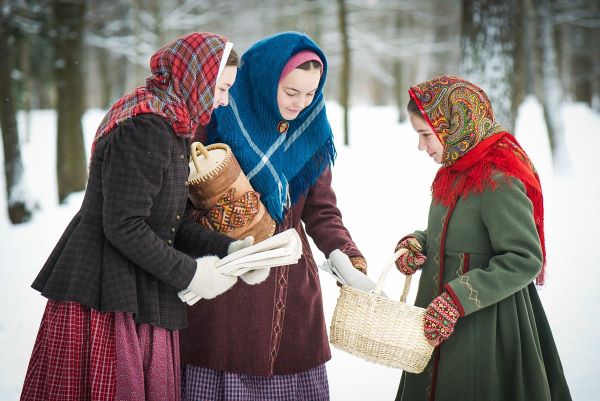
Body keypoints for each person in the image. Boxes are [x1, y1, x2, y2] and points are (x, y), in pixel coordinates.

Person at [20, 32, 260, 401]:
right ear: (195, 78)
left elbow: (168, 221)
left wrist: (230, 250)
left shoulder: (172, 122)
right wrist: (193, 274)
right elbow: (124, 224)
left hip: (138, 287)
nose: (224, 101)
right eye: (221, 88)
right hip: (104, 297)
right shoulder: (146, 126)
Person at [179, 32, 367, 401]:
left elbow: (321, 209)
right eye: (291, 92)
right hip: (226, 289)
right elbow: (180, 205)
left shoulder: (311, 128)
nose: (300, 104)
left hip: (289, 291)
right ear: (265, 79)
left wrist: (345, 253)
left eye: (310, 93)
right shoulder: (215, 121)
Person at [393, 75, 572, 401]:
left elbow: (524, 258)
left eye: (425, 135)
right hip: (436, 327)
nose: (421, 146)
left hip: (485, 331)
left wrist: (457, 299)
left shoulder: (496, 177)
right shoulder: (452, 170)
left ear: (452, 123)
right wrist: (418, 243)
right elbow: (450, 234)